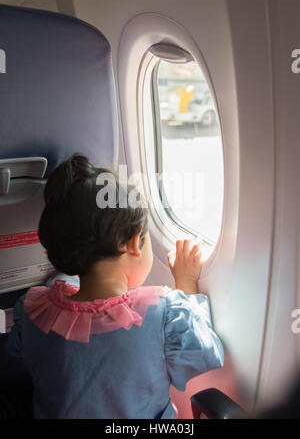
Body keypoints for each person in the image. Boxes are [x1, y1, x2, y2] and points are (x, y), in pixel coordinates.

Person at [6, 154, 224, 419]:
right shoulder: (164, 315)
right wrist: (187, 284)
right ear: (133, 243)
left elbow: (19, 355)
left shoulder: (34, 311)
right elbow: (207, 355)